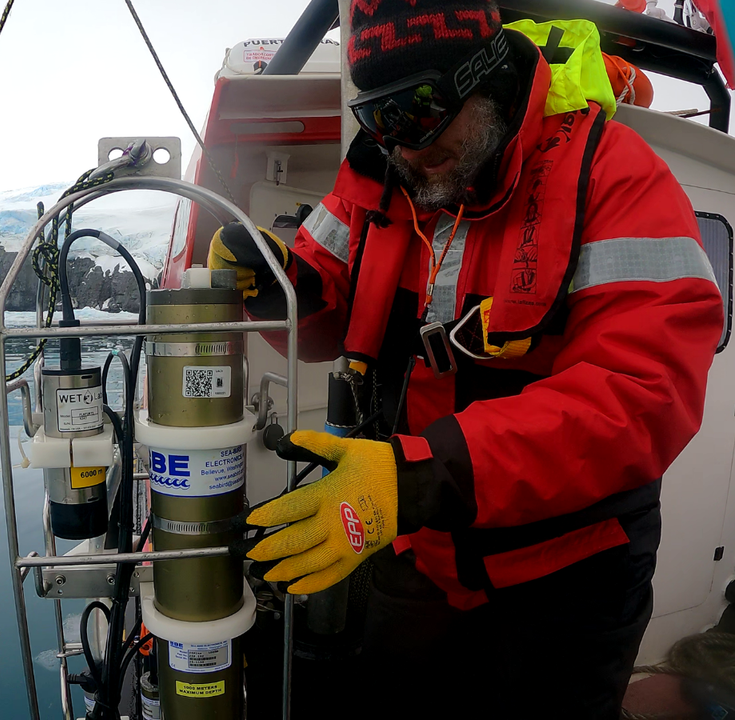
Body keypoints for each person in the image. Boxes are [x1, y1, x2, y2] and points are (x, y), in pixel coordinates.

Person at [210, 0, 725, 716]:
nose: (404, 147)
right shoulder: (381, 166)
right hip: (418, 547)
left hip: (565, 580)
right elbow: (321, 306)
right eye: (379, 117)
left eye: (420, 111)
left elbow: (641, 396)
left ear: (484, 74)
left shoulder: (616, 177)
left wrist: (415, 475)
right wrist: (272, 285)